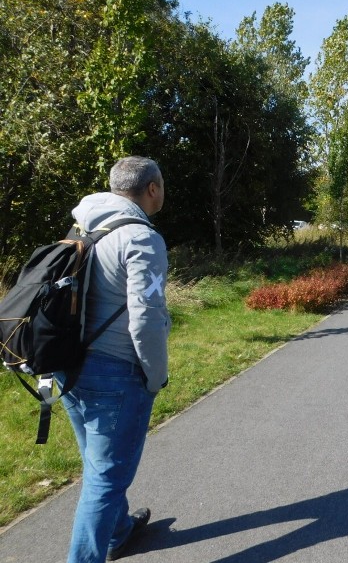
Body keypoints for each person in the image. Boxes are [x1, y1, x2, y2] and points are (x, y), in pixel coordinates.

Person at [55, 156, 171, 562]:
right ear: (152, 188)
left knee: (97, 464)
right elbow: (147, 320)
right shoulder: (141, 237)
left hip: (68, 365)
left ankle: (118, 529)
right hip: (115, 374)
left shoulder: (84, 223)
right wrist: (156, 376)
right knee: (105, 478)